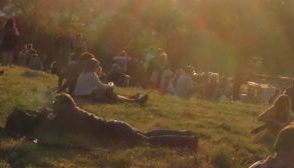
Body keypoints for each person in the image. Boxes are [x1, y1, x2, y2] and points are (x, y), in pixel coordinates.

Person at [42, 93, 196, 149]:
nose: (53, 105)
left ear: (63, 104)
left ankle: (188, 142)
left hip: (116, 131)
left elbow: (56, 128)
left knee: (148, 142)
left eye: (56, 103)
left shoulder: (67, 114)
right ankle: (184, 135)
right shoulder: (71, 112)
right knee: (147, 135)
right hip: (117, 127)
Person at [74, 60, 148, 105]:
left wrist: (108, 86)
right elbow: (101, 86)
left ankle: (131, 99)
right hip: (87, 95)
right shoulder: (92, 74)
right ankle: (133, 101)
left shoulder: (83, 73)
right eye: (97, 66)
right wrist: (110, 86)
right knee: (109, 90)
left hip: (80, 94)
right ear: (94, 67)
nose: (98, 68)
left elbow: (95, 85)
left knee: (110, 91)